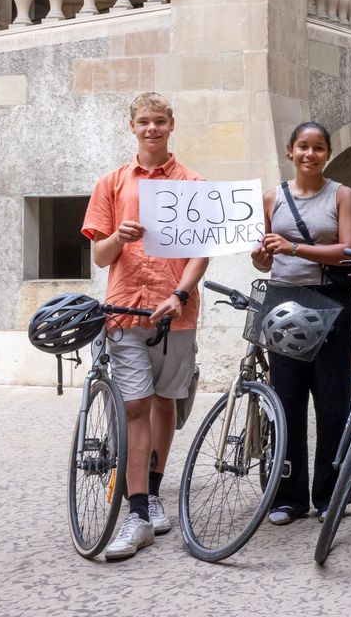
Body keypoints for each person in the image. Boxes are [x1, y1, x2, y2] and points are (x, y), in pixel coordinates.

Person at [82, 92, 208, 560]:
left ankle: (153, 490)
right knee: (135, 406)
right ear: (131, 127)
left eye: (159, 121)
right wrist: (119, 235)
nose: (151, 128)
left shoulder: (192, 182)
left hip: (175, 314)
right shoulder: (112, 183)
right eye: (143, 122)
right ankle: (137, 514)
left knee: (165, 405)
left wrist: (180, 294)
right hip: (124, 311)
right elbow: (100, 256)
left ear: (171, 124)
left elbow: (201, 253)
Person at [250, 122, 351, 525]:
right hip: (284, 302)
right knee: (288, 401)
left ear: (327, 153)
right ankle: (288, 497)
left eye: (318, 148)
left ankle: (332, 494)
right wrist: (261, 258)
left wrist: (295, 247)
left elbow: (350, 251)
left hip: (331, 303)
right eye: (302, 147)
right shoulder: (271, 198)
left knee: (333, 404)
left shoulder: (341, 194)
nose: (309, 154)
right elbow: (262, 253)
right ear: (289, 150)